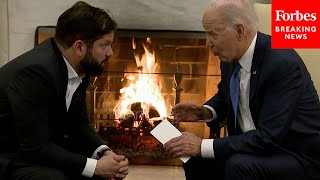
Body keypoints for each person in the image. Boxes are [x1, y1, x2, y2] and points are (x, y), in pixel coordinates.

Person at [164, 0, 320, 179]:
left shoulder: (282, 64)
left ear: (239, 31)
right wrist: (205, 112)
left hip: (294, 154)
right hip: (253, 147)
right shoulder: (230, 58)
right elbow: (225, 94)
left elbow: (268, 138)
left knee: (238, 165)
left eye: (212, 34)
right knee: (196, 159)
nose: (208, 43)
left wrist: (202, 145)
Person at [0, 1, 129, 180]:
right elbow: (35, 147)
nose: (110, 53)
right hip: (10, 156)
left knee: (100, 173)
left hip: (38, 149)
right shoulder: (35, 73)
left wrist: (104, 154)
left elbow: (79, 123)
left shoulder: (80, 67)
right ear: (79, 47)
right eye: (105, 45)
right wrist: (95, 167)